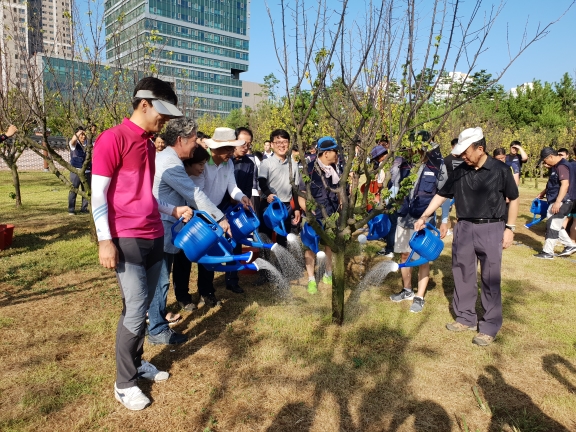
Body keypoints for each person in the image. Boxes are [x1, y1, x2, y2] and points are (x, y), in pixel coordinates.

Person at [91, 77, 193, 410]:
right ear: (144, 104)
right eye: (161, 113)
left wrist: (171, 208)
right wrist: (105, 241)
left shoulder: (149, 144)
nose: (164, 121)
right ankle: (124, 383)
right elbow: (98, 196)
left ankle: (136, 363)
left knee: (139, 308)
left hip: (153, 234)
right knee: (136, 310)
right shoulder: (112, 139)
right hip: (127, 238)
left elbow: (143, 195)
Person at [414, 127, 519, 347]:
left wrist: (510, 228)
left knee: (490, 278)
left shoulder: (500, 170)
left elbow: (514, 198)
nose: (463, 156)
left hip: (491, 228)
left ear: (480, 149)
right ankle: (465, 317)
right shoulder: (459, 170)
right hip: (464, 228)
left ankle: (489, 326)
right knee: (462, 273)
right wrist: (425, 215)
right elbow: (443, 194)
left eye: (466, 152)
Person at [149, 118, 232, 346]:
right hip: (162, 224)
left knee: (160, 277)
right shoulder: (171, 164)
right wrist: (221, 218)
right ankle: (156, 329)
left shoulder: (169, 158)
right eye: (194, 140)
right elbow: (193, 194)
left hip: (166, 222)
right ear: (180, 140)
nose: (197, 145)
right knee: (161, 279)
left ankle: (155, 321)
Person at [390, 137, 450, 313]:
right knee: (404, 255)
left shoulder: (438, 166)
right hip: (404, 217)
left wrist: (444, 220)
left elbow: (444, 194)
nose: (413, 150)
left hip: (424, 220)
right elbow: (395, 187)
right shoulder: (404, 164)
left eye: (416, 147)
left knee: (423, 259)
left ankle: (420, 296)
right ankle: (407, 290)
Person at [193, 127, 253, 299]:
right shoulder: (203, 163)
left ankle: (220, 284)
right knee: (207, 251)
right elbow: (199, 195)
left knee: (221, 249)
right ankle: (205, 291)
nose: (231, 153)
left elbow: (232, 187)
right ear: (216, 148)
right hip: (203, 213)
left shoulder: (229, 163)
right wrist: (215, 215)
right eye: (228, 149)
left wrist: (242, 197)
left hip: (220, 209)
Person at [298, 136, 339, 294]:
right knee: (309, 247)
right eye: (334, 151)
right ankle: (311, 279)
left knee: (330, 244)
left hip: (331, 214)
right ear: (326, 153)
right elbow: (301, 195)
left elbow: (340, 190)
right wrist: (309, 213)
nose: (337, 154)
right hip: (313, 216)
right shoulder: (309, 170)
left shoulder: (336, 168)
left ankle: (328, 273)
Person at [258, 129, 302, 248]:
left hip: (285, 207)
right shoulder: (266, 163)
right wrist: (268, 194)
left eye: (285, 142)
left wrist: (297, 209)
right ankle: (264, 265)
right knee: (265, 238)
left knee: (283, 239)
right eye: (278, 142)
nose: (282, 145)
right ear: (272, 145)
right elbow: (261, 181)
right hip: (268, 205)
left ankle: (280, 265)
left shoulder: (293, 164)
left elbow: (295, 188)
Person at [534, 147, 576, 259]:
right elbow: (553, 183)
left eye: (545, 160)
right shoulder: (557, 166)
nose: (544, 163)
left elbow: (565, 185)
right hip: (555, 200)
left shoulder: (562, 166)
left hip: (562, 201)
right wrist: (544, 192)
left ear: (551, 157)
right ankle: (570, 245)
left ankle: (548, 252)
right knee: (556, 225)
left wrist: (558, 202)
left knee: (552, 225)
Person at [236, 127, 261, 215]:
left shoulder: (249, 163)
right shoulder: (226, 160)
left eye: (248, 144)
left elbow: (248, 188)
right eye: (243, 143)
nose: (246, 147)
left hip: (239, 205)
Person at [68, 126, 91, 215]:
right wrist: (79, 132)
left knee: (86, 190)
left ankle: (84, 208)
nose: (83, 136)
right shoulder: (74, 144)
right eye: (81, 135)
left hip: (87, 170)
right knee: (73, 189)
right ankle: (71, 209)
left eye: (84, 134)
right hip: (76, 170)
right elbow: (73, 140)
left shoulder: (89, 144)